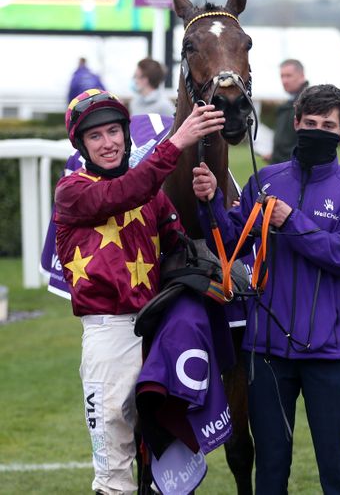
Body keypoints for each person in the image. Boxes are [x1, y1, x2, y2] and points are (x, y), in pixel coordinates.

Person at [192, 83, 340, 494]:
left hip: (329, 354)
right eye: (309, 123)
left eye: (328, 124)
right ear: (295, 124)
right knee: (271, 467)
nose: (317, 130)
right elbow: (231, 239)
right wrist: (210, 203)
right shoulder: (267, 180)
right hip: (267, 352)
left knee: (336, 466)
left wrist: (292, 222)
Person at [55, 89, 223, 494]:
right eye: (96, 136)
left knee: (169, 456)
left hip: (159, 330)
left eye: (114, 131)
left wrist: (209, 199)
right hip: (108, 335)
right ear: (81, 145)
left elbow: (183, 246)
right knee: (114, 471)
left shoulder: (153, 197)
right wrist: (176, 142)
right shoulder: (73, 190)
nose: (108, 142)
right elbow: (123, 193)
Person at [270, 59, 309, 164]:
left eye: (289, 76)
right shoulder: (289, 103)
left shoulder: (309, 103)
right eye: (282, 76)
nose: (284, 81)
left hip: (293, 168)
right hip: (281, 165)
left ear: (301, 76)